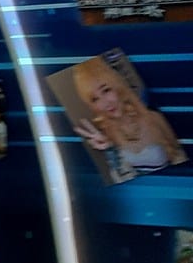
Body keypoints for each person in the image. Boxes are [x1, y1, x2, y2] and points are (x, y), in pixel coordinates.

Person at [69, 55, 187, 183]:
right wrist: (110, 150)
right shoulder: (106, 133)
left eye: (106, 90)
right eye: (95, 99)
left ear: (118, 88)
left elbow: (181, 156)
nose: (105, 103)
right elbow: (120, 179)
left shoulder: (153, 118)